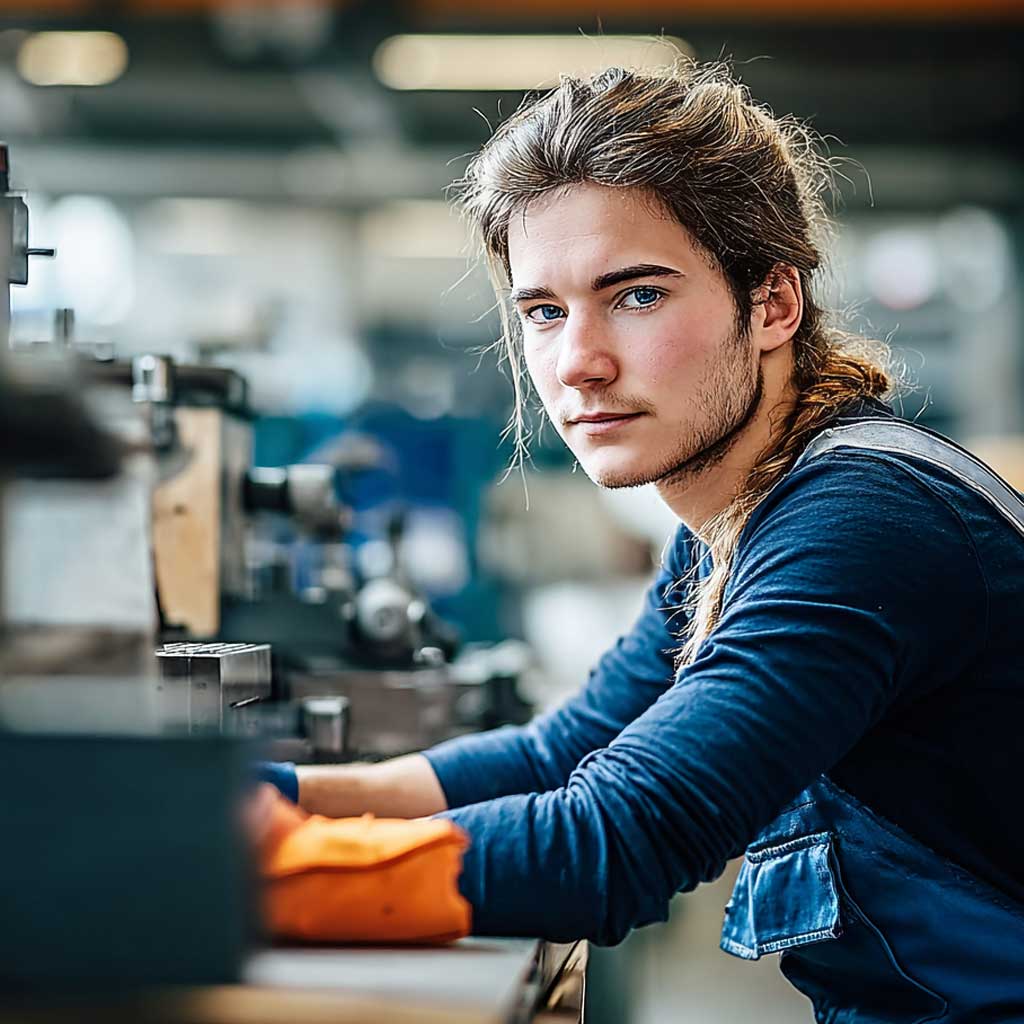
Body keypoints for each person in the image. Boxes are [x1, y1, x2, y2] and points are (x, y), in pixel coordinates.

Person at [262, 60, 1024, 1018]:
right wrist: (273, 797)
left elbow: (621, 838)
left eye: (636, 296)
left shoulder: (863, 521)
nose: (578, 363)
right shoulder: (733, 525)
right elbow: (566, 754)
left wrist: (249, 873)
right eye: (545, 312)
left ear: (772, 305)